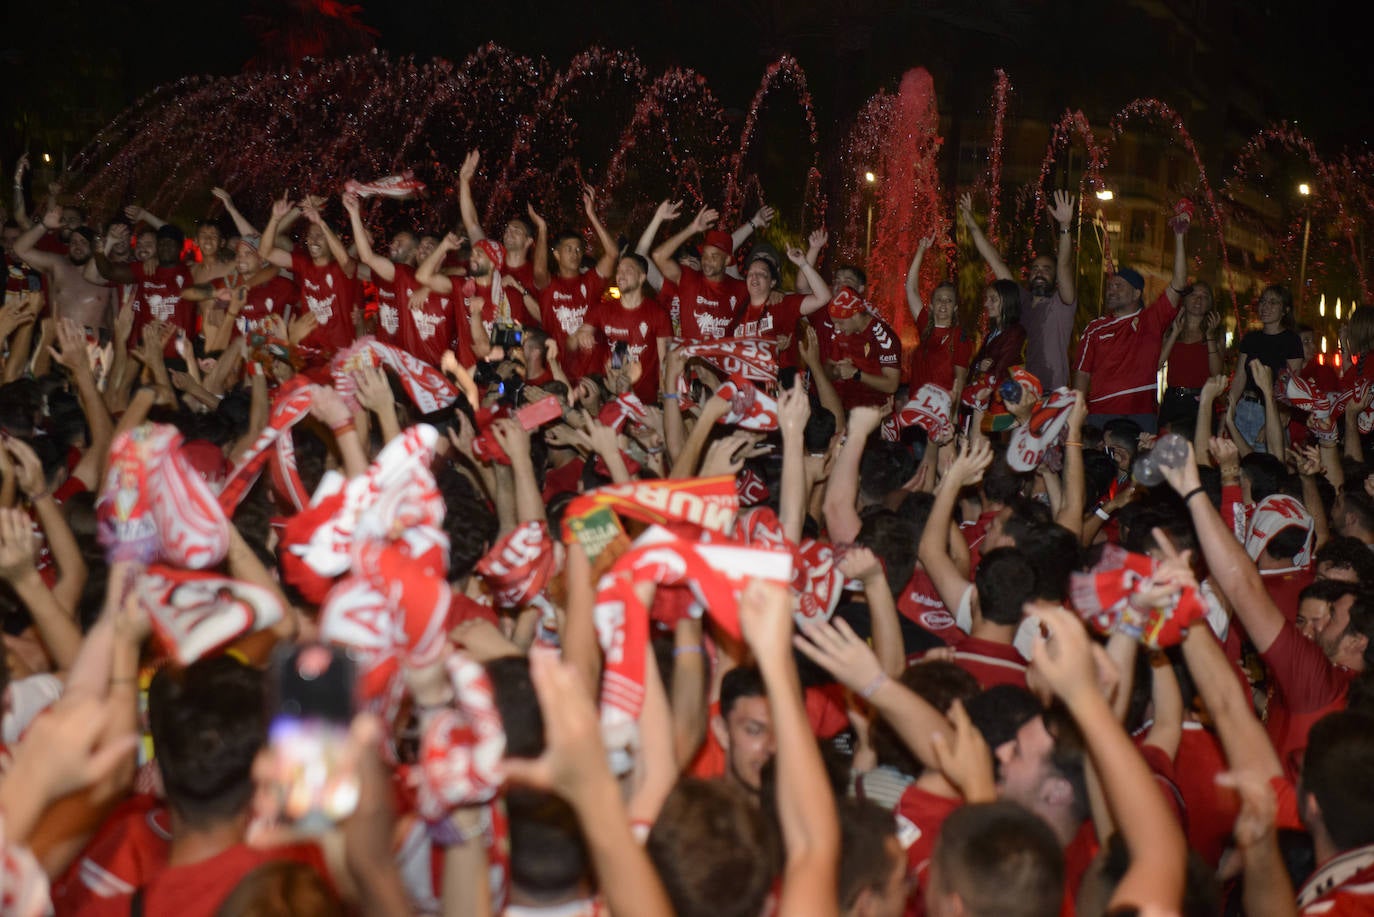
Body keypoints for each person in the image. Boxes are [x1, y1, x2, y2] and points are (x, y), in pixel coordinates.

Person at [1073, 209, 1191, 432]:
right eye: (1110, 286)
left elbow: (1178, 283)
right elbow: (1082, 373)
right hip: (1100, 415)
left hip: (1141, 415)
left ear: (1137, 293)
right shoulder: (1095, 329)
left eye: (1119, 286)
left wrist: (1179, 237)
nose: (1111, 290)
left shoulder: (1152, 319)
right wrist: (1077, 416)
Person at [960, 190, 1077, 391]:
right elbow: (994, 261)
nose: (1040, 273)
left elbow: (1064, 265)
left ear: (1055, 278)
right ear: (1028, 274)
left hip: (1051, 393)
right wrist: (970, 221)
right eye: (1035, 269)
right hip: (1019, 391)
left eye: (1046, 269)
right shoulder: (1022, 301)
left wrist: (1065, 226)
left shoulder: (1062, 304)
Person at [258, 193, 358, 361]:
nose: (313, 240)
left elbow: (346, 261)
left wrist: (321, 223)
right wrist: (275, 219)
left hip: (339, 356)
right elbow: (265, 252)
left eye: (319, 235)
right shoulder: (303, 263)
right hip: (307, 350)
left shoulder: (343, 268)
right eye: (311, 236)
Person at [650, 203, 749, 342]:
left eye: (714, 256)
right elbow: (658, 256)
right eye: (705, 255)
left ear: (727, 260)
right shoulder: (689, 279)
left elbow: (765, 298)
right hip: (690, 361)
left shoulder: (741, 288)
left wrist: (776, 293)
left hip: (719, 361)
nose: (707, 260)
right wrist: (692, 228)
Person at [13, 202, 114, 330]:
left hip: (95, 346)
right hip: (58, 345)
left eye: (83, 242)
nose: (77, 246)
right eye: (74, 242)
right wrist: (44, 225)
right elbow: (19, 249)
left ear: (94, 247)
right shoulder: (57, 264)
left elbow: (114, 315)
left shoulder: (105, 271)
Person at [728, 246, 832, 370]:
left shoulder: (784, 303)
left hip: (779, 382)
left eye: (761, 273)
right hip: (741, 380)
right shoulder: (736, 306)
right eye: (751, 273)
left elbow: (824, 297)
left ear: (772, 282)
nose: (754, 277)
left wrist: (803, 264)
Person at [1228, 284, 1305, 451]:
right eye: (1263, 301)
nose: (1265, 306)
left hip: (1269, 411)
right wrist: (1229, 412)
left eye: (1273, 302)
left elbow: (1291, 386)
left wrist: (1277, 419)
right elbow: (1240, 377)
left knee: (1267, 469)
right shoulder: (1251, 338)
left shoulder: (1291, 341)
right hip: (1244, 408)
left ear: (1285, 310)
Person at [588, 252, 672, 403]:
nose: (621, 275)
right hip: (614, 398)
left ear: (641, 278)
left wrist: (666, 393)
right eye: (619, 270)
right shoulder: (605, 310)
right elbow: (617, 360)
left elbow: (665, 359)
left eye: (628, 270)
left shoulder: (658, 313)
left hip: (647, 400)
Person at [905, 234, 972, 406]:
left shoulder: (959, 336)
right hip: (916, 408)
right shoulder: (925, 326)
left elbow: (960, 378)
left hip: (941, 410)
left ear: (955, 307)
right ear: (932, 305)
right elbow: (911, 288)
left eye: (949, 300)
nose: (943, 304)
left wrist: (954, 416)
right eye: (939, 299)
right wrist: (921, 250)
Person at [1157, 280, 1223, 430]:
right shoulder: (1171, 329)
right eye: (1193, 294)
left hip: (1202, 400)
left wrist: (1210, 336)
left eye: (1204, 296)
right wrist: (1175, 333)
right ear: (1184, 300)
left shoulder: (1216, 333)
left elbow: (1216, 372)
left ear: (1210, 304)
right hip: (1173, 399)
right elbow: (1158, 364)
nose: (1198, 299)